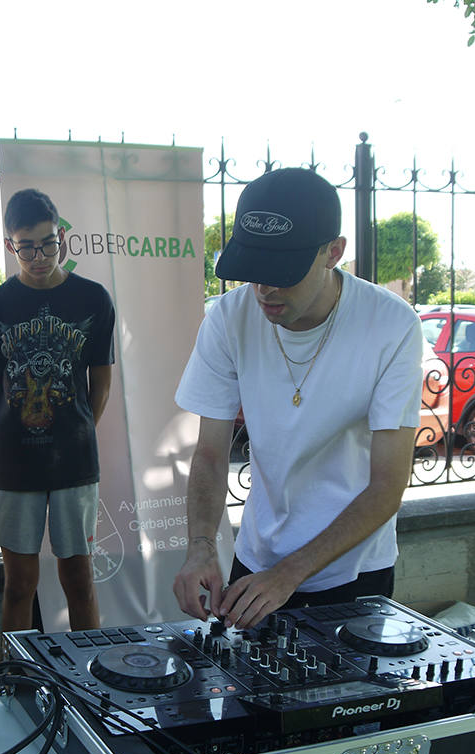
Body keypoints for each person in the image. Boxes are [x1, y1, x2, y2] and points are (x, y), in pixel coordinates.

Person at [172, 167, 422, 630]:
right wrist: (202, 546)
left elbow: (388, 483)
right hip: (258, 560)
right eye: (253, 272)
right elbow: (209, 452)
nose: (265, 289)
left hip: (355, 567)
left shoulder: (392, 325)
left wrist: (289, 574)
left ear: (333, 252)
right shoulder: (229, 318)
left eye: (282, 272)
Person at [0, 188, 115, 632]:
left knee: (79, 580)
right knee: (18, 584)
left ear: (62, 239)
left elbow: (100, 381)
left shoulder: (93, 299)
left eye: (47, 242)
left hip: (74, 463)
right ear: (10, 245)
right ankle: (17, 679)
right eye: (25, 246)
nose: (37, 255)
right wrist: (14, 433)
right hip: (15, 465)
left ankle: (88, 685)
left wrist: (80, 431)